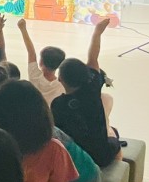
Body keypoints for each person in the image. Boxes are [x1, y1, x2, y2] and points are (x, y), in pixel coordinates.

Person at [52, 19, 122, 168]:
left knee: (111, 130)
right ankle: (120, 172)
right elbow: (93, 57)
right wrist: (97, 32)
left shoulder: (57, 104)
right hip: (101, 155)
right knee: (113, 134)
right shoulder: (92, 87)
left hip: (75, 158)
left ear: (60, 79)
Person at [16, 19, 66, 105]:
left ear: (41, 62)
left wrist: (23, 29)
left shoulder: (35, 76)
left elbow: (31, 52)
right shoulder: (62, 86)